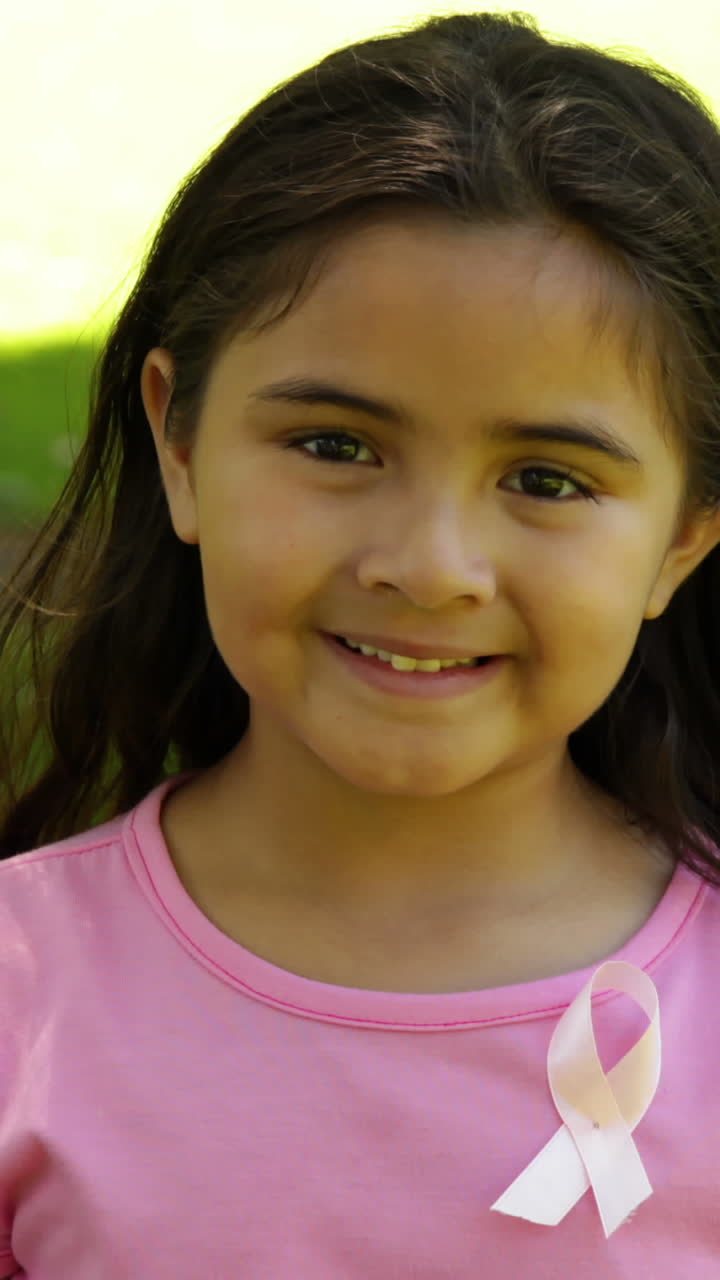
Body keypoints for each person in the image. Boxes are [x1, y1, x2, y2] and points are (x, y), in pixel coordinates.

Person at [1, 8, 720, 1275]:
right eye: (336, 446)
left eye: (548, 478)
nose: (431, 564)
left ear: (682, 541)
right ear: (180, 444)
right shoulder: (25, 994)